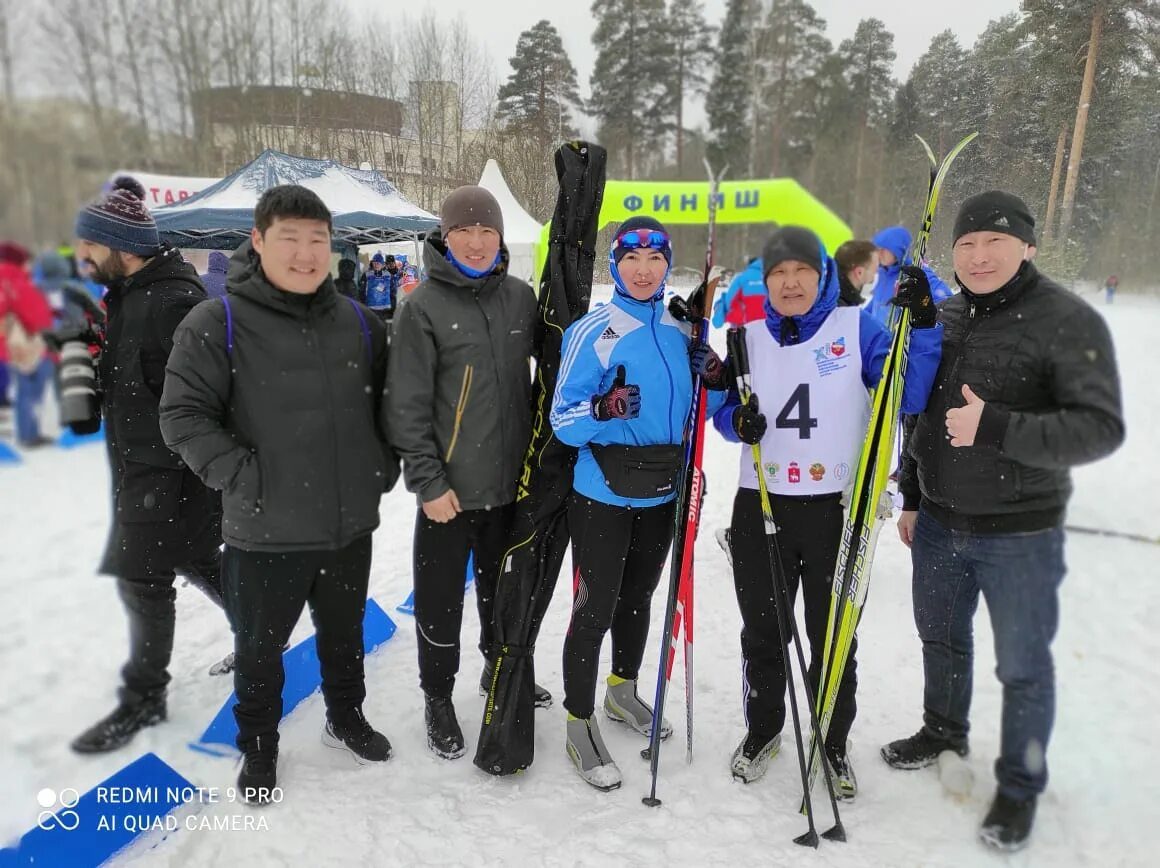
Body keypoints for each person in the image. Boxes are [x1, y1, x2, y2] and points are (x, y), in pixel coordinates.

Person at [885, 191, 1124, 852]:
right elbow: (918, 417)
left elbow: (1099, 428)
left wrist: (998, 428)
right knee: (941, 638)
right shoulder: (949, 314)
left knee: (1022, 666)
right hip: (937, 522)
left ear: (1028, 247)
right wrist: (911, 493)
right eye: (967, 244)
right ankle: (943, 730)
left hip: (1021, 532)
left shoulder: (1066, 321)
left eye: (995, 242)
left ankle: (1019, 787)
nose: (980, 255)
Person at [160, 185, 399, 804]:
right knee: (259, 649)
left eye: (316, 239)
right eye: (289, 239)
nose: (304, 253)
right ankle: (259, 745)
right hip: (263, 529)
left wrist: (382, 466)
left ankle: (345, 718)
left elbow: (391, 409)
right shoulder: (218, 323)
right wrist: (247, 478)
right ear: (258, 241)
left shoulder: (359, 322)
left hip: (347, 526)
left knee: (343, 635)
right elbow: (182, 416)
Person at [711, 226, 942, 795]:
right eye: (778, 274)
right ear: (766, 281)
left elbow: (907, 393)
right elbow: (722, 410)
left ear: (823, 275)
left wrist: (925, 324)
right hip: (760, 506)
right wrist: (734, 421)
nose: (791, 284)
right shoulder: (747, 338)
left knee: (834, 635)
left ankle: (832, 743)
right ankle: (763, 732)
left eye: (802, 272)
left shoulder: (854, 328)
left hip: (838, 510)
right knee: (763, 633)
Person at [549, 215, 729, 791]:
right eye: (631, 258)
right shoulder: (594, 330)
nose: (644, 270)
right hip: (602, 491)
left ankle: (621, 691)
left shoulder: (682, 328)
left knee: (639, 599)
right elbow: (561, 419)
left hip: (662, 490)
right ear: (615, 265)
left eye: (655, 259)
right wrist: (601, 410)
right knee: (594, 608)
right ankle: (578, 723)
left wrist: (715, 376)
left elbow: (698, 409)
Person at [67, 176, 229, 754]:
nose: (83, 255)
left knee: (144, 582)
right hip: (137, 468)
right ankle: (264, 628)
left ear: (120, 243)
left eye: (90, 244)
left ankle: (144, 698)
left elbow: (211, 397)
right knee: (197, 560)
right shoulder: (129, 296)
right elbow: (139, 384)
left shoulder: (176, 302)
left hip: (169, 476)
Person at [385, 184, 543, 762]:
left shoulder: (522, 300)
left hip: (509, 492)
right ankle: (437, 697)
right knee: (440, 603)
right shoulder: (421, 307)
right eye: (463, 231)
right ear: (443, 237)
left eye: (486, 231)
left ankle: (496, 672)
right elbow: (406, 406)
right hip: (447, 496)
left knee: (503, 598)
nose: (476, 242)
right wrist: (429, 484)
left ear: (501, 237)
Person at [0, 243, 55, 447]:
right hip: (28, 345)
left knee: (24, 390)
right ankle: (29, 435)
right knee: (31, 391)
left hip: (10, 346)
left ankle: (27, 432)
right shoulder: (15, 282)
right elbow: (36, 314)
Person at [864, 225, 952, 323]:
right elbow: (877, 304)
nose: (879, 254)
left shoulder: (916, 273)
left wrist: (923, 308)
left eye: (884, 250)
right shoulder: (884, 274)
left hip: (904, 336)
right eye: (877, 250)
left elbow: (946, 302)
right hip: (882, 337)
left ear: (897, 251)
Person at [712, 256, 766, 328]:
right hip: (765, 324)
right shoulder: (768, 278)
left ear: (749, 265)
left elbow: (730, 301)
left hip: (743, 324)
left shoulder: (741, 278)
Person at [833, 239, 879, 308]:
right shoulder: (842, 310)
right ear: (859, 273)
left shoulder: (829, 294)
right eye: (875, 270)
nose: (876, 274)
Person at [359, 251, 397, 320]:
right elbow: (362, 292)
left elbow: (393, 293)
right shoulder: (366, 275)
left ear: (382, 264)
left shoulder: (388, 275)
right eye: (374, 262)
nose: (376, 265)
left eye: (378, 263)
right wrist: (363, 307)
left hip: (386, 310)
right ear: (372, 263)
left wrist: (393, 309)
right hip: (371, 309)